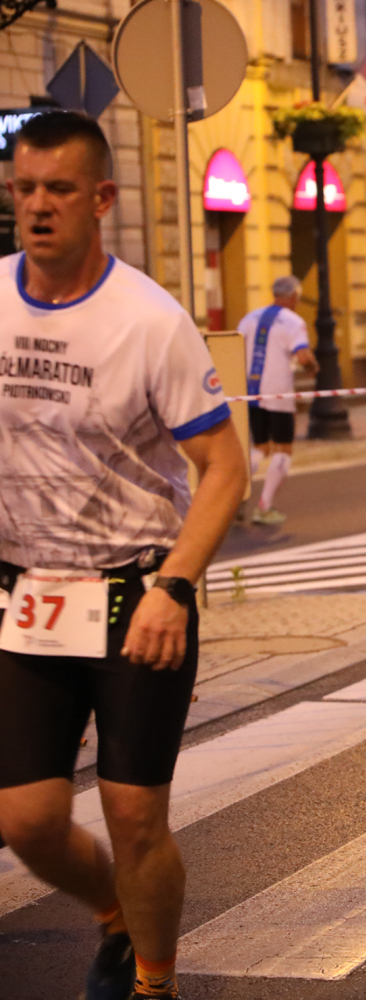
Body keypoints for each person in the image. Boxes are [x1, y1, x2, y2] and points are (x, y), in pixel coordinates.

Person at [0, 111, 247, 1000]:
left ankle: (153, 980)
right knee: (25, 819)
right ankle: (115, 916)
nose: (38, 206)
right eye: (24, 188)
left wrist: (174, 587)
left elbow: (224, 468)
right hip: (30, 597)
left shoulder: (148, 321)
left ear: (101, 198)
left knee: (135, 815)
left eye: (59, 189)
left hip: (136, 598)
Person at [237, 276, 317, 526]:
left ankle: (235, 496)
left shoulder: (249, 318)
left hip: (251, 390)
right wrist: (314, 367)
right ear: (294, 296)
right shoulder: (293, 321)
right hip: (278, 392)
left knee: (260, 447)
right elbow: (303, 356)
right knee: (283, 448)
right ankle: (264, 506)